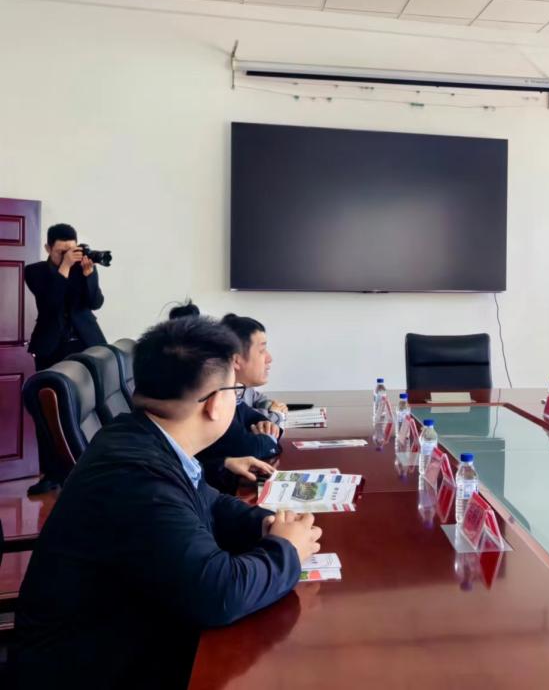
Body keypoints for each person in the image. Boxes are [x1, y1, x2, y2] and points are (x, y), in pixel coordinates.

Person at [13, 316, 322, 688]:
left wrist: (264, 524)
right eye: (234, 391)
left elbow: (210, 502)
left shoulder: (140, 436)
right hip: (94, 670)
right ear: (214, 404)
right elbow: (217, 595)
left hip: (134, 636)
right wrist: (286, 550)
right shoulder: (135, 477)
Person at [196, 314, 285, 489]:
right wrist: (268, 437)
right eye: (262, 351)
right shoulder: (216, 397)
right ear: (236, 360)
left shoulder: (232, 393)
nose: (269, 358)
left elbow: (257, 420)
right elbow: (253, 449)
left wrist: (269, 427)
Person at [25, 223, 106, 370]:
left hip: (87, 341)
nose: (68, 256)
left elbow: (95, 303)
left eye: (71, 251)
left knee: (92, 384)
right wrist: (65, 266)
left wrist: (89, 277)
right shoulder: (34, 271)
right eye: (62, 252)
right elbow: (51, 304)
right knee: (50, 383)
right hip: (50, 345)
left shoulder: (82, 267)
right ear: (48, 248)